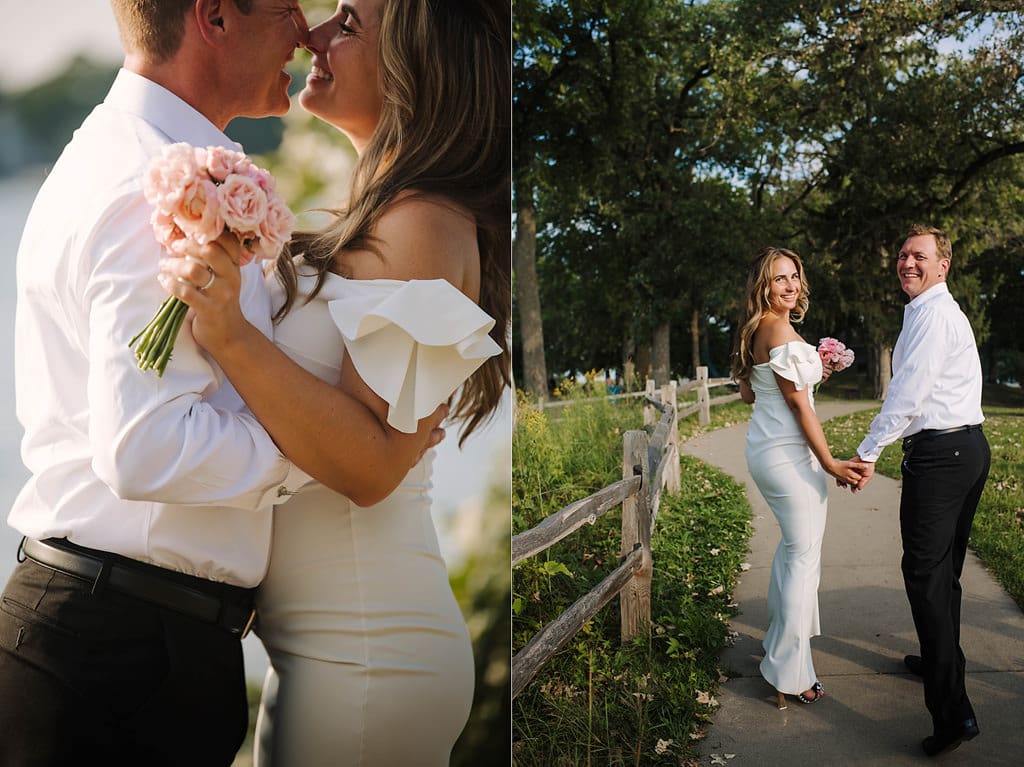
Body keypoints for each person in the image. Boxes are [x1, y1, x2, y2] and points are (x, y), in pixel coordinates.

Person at [0, 2, 443, 765]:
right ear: (214, 18)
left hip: (131, 639)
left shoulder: (133, 154)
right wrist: (323, 454)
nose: (304, 33)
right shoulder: (146, 185)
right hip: (118, 655)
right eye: (286, 10)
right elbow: (145, 448)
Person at [158, 0, 511, 763]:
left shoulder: (420, 221)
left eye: (349, 24)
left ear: (420, 65)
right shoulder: (386, 210)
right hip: (339, 644)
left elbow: (373, 464)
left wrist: (233, 334)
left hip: (365, 652)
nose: (314, 33)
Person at [850, 224, 989, 757]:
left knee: (926, 578)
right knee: (944, 572)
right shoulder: (928, 312)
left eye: (919, 256)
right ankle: (940, 660)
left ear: (942, 265)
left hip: (943, 456)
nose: (908, 262)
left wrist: (868, 451)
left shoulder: (933, 316)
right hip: (965, 450)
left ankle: (953, 715)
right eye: (904, 255)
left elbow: (907, 395)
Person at [731, 246, 863, 709]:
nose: (790, 286)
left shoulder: (758, 330)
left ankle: (778, 649)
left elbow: (751, 393)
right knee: (803, 560)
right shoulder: (778, 330)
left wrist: (815, 370)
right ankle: (789, 672)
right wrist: (830, 462)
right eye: (779, 279)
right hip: (789, 457)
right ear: (763, 285)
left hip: (768, 449)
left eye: (794, 277)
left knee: (794, 553)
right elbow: (797, 405)